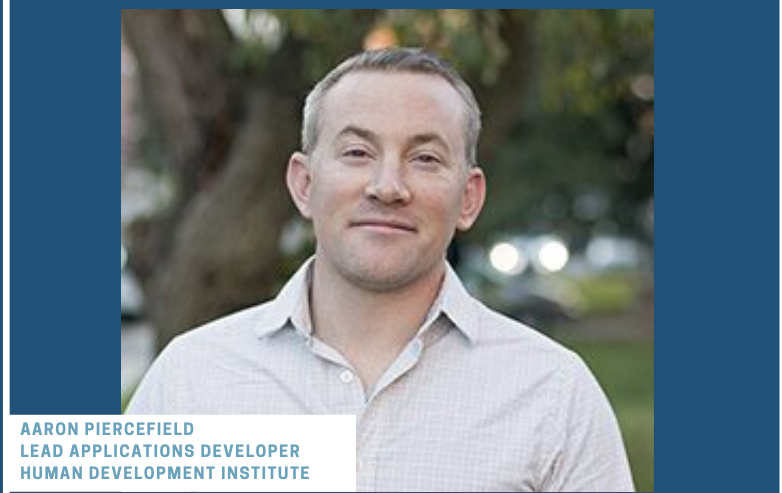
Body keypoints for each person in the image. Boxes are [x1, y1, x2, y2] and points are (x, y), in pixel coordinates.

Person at [127, 47, 635, 492]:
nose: (388, 186)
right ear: (304, 184)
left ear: (469, 198)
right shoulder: (190, 380)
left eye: (426, 158)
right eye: (357, 152)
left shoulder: (554, 394)